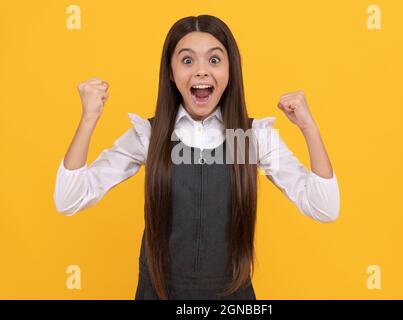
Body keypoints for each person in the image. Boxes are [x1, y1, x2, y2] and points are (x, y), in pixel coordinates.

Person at [54, 15, 340, 300]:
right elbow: (70, 199)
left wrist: (308, 128)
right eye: (187, 61)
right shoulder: (152, 137)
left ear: (231, 70)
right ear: (170, 71)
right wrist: (88, 120)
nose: (201, 71)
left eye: (214, 60)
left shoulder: (246, 139)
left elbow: (323, 208)